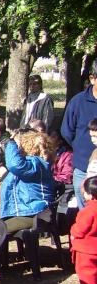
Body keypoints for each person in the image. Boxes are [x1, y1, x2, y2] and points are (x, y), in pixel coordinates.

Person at [0, 131, 55, 235]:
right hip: (27, 212)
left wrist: (11, 143)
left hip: (33, 214)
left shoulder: (36, 163)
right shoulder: (36, 163)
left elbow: (15, 164)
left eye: (19, 146)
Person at [61, 63, 97, 208]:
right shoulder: (78, 101)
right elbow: (66, 131)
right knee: (85, 211)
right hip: (83, 167)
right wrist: (81, 148)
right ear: (93, 79)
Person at [69, 176, 97, 284]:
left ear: (90, 195)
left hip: (86, 249)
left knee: (86, 272)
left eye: (84, 192)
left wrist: (73, 232)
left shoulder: (88, 210)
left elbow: (80, 228)